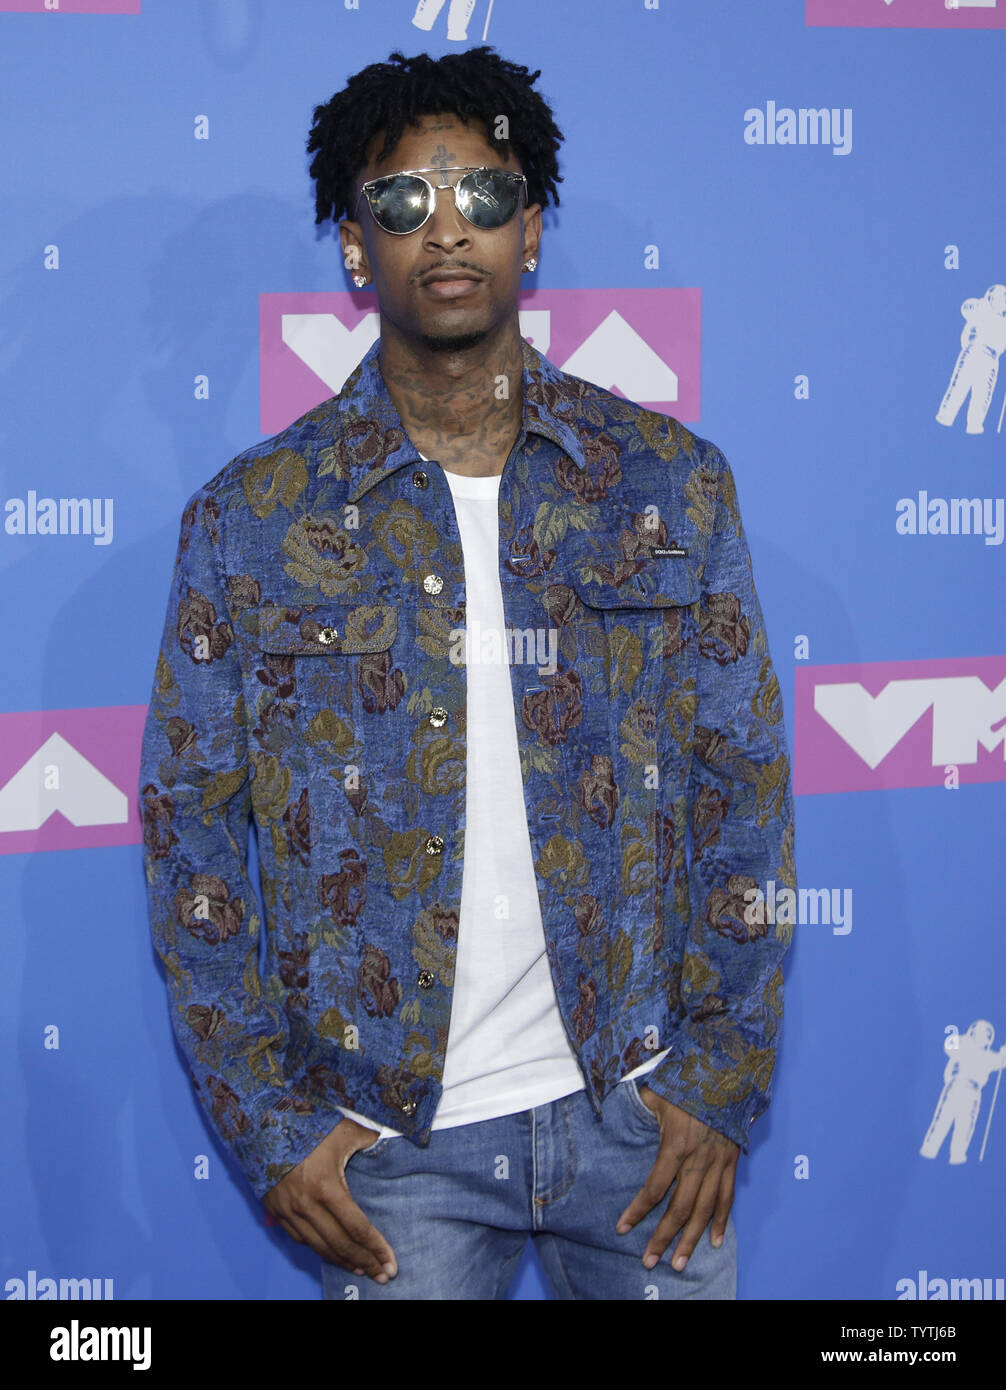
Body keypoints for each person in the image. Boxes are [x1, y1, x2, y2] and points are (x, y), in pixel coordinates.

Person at [139, 45, 795, 1301]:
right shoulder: (253, 522)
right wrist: (272, 1125)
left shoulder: (667, 484)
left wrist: (721, 1080)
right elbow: (192, 847)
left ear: (531, 228)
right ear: (352, 241)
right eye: (402, 202)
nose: (448, 230)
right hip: (393, 1148)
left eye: (485, 195)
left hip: (640, 1118)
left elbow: (744, 792)